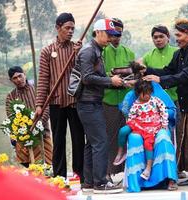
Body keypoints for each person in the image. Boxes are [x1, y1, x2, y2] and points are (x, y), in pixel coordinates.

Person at [142, 18, 188, 188]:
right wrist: (147, 70)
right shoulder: (179, 54)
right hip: (187, 98)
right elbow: (168, 71)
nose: (177, 38)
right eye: (176, 35)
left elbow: (186, 75)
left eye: (179, 35)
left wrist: (160, 79)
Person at [75, 18, 123, 193]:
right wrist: (110, 80)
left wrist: (115, 81)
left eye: (113, 35)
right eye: (109, 34)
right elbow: (87, 78)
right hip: (88, 103)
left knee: (92, 144)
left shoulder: (97, 50)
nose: (111, 38)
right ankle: (101, 183)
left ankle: (89, 182)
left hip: (92, 102)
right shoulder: (88, 51)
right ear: (98, 32)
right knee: (101, 142)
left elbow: (95, 78)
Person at [35, 13, 85, 182]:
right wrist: (39, 105)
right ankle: (59, 176)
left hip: (75, 101)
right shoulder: (47, 51)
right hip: (56, 102)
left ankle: (81, 173)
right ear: (58, 28)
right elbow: (43, 80)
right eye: (67, 28)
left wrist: (79, 55)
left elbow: (83, 73)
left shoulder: (77, 48)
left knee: (79, 138)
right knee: (58, 139)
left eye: (73, 28)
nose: (71, 31)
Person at [141, 25, 186, 178]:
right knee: (157, 134)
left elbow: (180, 75)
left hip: (174, 99)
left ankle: (177, 168)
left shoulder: (177, 52)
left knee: (176, 133)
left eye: (161, 37)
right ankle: (159, 168)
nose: (158, 40)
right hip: (154, 104)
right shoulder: (147, 56)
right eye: (155, 37)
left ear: (168, 37)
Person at [120, 81, 178, 192]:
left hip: (158, 126)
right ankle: (137, 182)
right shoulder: (132, 96)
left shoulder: (157, 94)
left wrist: (161, 120)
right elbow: (128, 113)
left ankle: (170, 179)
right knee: (134, 138)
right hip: (141, 127)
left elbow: (171, 111)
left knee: (163, 138)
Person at [114, 80, 168, 181]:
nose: (147, 96)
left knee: (148, 144)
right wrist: (131, 127)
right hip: (138, 124)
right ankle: (121, 151)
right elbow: (131, 116)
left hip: (151, 126)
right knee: (123, 131)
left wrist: (164, 124)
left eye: (149, 93)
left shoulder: (155, 100)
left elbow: (164, 110)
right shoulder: (135, 104)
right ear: (138, 93)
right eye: (144, 94)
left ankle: (148, 167)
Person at [102, 18, 135, 176]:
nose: (115, 37)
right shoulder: (102, 52)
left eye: (118, 34)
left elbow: (134, 74)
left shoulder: (129, 53)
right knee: (111, 137)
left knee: (129, 135)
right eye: (112, 34)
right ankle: (109, 172)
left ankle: (130, 171)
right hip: (108, 101)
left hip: (127, 101)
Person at [6, 66, 53, 167]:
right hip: (24, 135)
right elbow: (11, 116)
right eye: (15, 78)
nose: (18, 79)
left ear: (24, 74)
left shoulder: (38, 89)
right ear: (11, 80)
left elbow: (47, 106)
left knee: (48, 161)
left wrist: (39, 124)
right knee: (25, 160)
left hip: (42, 131)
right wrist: (25, 129)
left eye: (20, 76)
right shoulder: (11, 96)